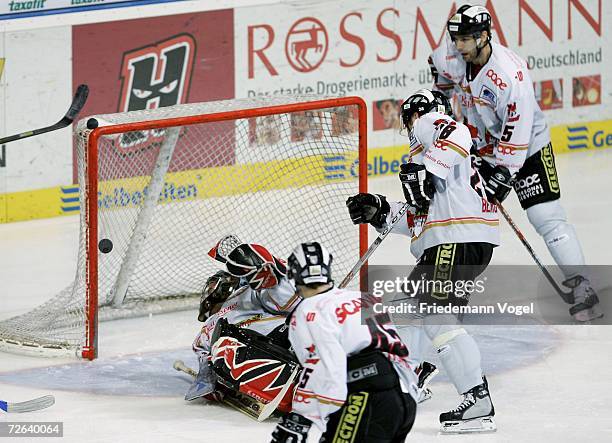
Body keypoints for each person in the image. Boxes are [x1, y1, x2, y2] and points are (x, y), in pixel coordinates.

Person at [428, 4, 601, 321]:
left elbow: (517, 129)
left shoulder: (510, 75)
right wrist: (442, 117)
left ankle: (582, 287)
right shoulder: (450, 57)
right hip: (479, 148)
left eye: (465, 39)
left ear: (483, 36)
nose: (459, 45)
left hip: (528, 148)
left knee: (544, 217)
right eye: (455, 38)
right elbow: (439, 84)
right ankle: (454, 290)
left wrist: (504, 173)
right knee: (461, 215)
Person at [346, 89, 497, 433]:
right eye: (410, 119)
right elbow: (419, 217)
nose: (414, 123)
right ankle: (412, 374)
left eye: (416, 117)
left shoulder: (434, 129)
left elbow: (456, 130)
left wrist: (430, 167)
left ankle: (477, 399)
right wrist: (380, 211)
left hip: (454, 239)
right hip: (453, 239)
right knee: (405, 307)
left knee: (433, 312)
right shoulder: (431, 159)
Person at [270, 242, 418, 442]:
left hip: (365, 398)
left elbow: (323, 365)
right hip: (405, 398)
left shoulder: (309, 310)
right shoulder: (363, 297)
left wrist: (300, 418)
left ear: (293, 274)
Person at [187, 235, 299, 406]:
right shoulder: (210, 324)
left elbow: (284, 296)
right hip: (261, 350)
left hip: (286, 335)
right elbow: (202, 354)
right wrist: (211, 381)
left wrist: (271, 268)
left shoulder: (248, 293)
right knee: (223, 345)